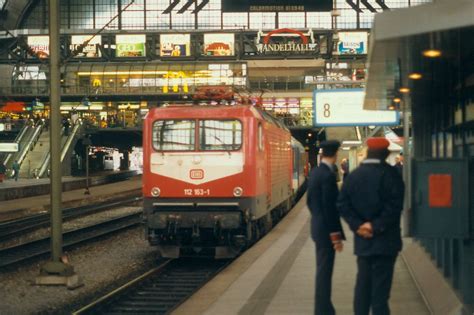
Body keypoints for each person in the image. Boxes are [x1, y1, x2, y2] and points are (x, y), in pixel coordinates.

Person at [337, 138, 404, 315]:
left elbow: (343, 204)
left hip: (363, 243)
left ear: (368, 153)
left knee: (362, 290)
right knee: (380, 296)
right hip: (386, 243)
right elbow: (395, 207)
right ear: (386, 154)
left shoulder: (354, 176)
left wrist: (358, 225)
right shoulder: (392, 175)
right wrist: (375, 226)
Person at [307, 140, 345, 315]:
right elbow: (331, 209)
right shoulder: (328, 176)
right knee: (324, 273)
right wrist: (336, 236)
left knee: (322, 270)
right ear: (335, 155)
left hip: (317, 228)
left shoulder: (315, 172)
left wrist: (317, 219)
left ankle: (324, 308)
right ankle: (323, 310)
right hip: (326, 232)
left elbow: (310, 202)